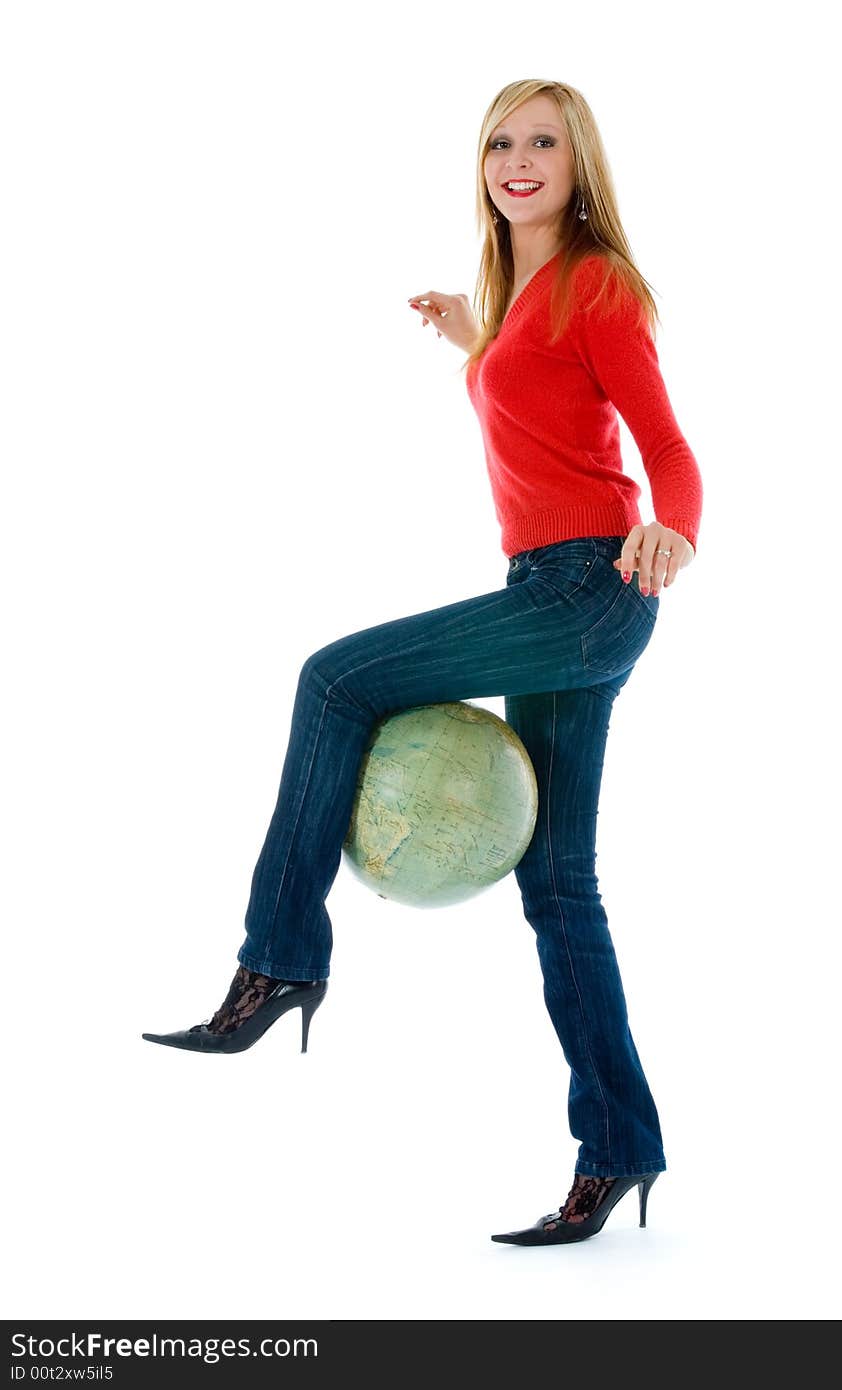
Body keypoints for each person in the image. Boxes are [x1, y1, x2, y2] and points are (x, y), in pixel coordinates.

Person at [142, 78, 703, 1247]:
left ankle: (279, 962)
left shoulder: (596, 282)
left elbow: (663, 444)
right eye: (501, 140)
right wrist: (476, 337)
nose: (518, 158)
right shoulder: (528, 298)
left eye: (544, 141)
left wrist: (676, 526)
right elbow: (538, 406)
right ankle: (621, 1147)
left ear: (579, 161)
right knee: (557, 886)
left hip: (592, 590)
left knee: (334, 677)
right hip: (543, 589)